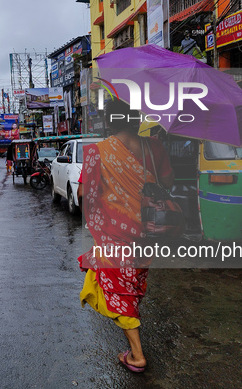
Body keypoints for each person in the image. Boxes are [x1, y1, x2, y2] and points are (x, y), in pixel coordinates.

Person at [77, 100, 174, 373]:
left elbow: (85, 194)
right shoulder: (154, 147)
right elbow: (167, 183)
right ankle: (133, 346)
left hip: (114, 235)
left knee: (121, 293)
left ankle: (137, 355)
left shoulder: (98, 151)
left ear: (109, 121)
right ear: (136, 119)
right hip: (148, 233)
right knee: (131, 286)